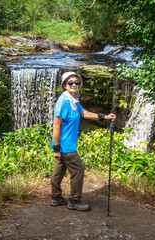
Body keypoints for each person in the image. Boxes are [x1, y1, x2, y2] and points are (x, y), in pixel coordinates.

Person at [50, 71, 116, 211]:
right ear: (64, 85)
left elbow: (84, 113)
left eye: (77, 82)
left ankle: (56, 197)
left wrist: (104, 116)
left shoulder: (73, 100)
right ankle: (74, 201)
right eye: (71, 82)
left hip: (65, 144)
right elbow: (56, 126)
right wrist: (56, 148)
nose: (74, 84)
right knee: (78, 169)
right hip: (65, 145)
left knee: (59, 169)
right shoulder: (63, 102)